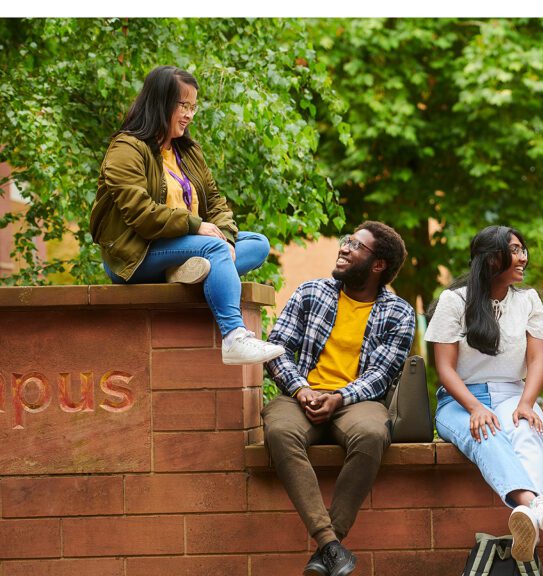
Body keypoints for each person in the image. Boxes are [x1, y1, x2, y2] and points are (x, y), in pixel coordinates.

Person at [89, 65, 282, 365]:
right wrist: (197, 226)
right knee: (214, 248)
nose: (190, 114)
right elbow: (141, 214)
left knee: (257, 243)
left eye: (193, 107)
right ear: (160, 102)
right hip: (136, 253)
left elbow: (216, 202)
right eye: (183, 105)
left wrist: (227, 237)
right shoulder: (126, 148)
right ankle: (234, 337)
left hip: (188, 245)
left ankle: (190, 270)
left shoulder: (187, 151)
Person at [262, 221, 416, 576]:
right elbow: (276, 349)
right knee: (280, 432)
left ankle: (329, 547)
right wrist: (302, 390)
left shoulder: (399, 313)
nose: (344, 248)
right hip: (299, 393)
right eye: (346, 241)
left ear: (378, 265)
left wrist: (339, 398)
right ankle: (330, 545)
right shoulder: (311, 292)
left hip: (357, 402)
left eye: (355, 245)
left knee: (374, 434)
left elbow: (381, 375)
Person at [425, 225, 543, 563]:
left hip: (512, 394)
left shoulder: (528, 300)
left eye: (523, 249)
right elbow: (444, 368)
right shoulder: (453, 300)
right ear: (491, 260)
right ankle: (534, 506)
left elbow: (536, 361)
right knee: (485, 432)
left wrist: (527, 404)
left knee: (528, 429)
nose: (524, 257)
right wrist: (474, 407)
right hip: (461, 399)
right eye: (515, 250)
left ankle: (528, 521)